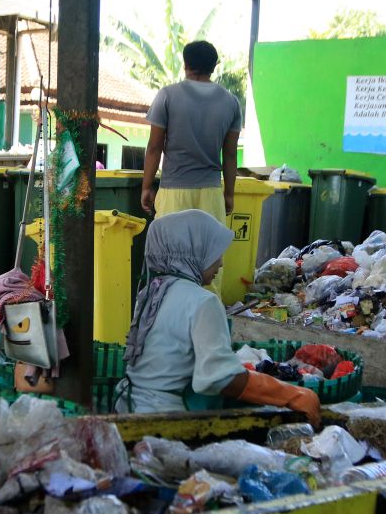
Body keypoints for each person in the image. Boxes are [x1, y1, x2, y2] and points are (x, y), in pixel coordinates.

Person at [114, 209, 321, 427]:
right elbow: (221, 378)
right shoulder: (203, 301)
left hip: (126, 408)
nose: (221, 263)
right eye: (214, 253)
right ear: (193, 252)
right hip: (167, 420)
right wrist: (294, 395)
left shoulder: (151, 292)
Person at [140, 40, 241, 224]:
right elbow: (230, 155)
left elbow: (154, 148)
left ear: (185, 64)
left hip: (174, 193)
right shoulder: (231, 102)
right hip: (211, 193)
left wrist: (146, 187)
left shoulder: (167, 95)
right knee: (208, 252)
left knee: (170, 251)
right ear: (213, 67)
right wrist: (229, 194)